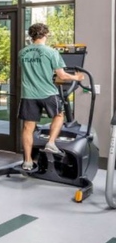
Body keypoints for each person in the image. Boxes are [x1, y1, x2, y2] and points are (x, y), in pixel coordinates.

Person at [18, 23, 84, 171]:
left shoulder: (22, 52)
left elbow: (29, 70)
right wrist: (77, 77)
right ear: (45, 35)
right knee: (59, 116)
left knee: (28, 127)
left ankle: (28, 161)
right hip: (48, 92)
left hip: (28, 94)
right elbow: (62, 75)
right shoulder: (51, 52)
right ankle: (51, 143)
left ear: (31, 36)